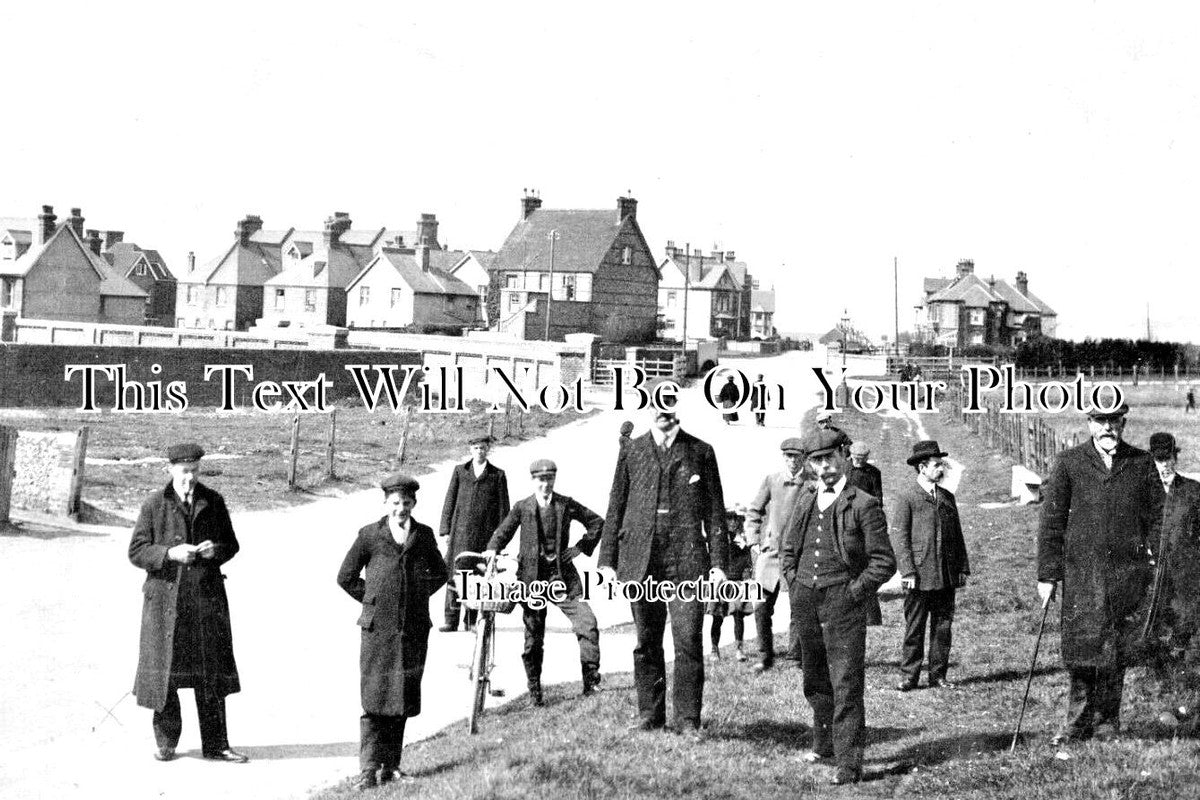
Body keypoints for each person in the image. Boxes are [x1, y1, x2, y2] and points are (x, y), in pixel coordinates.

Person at [598, 406, 728, 739]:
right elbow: (616, 504)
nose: (663, 414)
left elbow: (715, 513)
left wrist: (718, 565)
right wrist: (607, 561)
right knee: (646, 641)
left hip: (687, 562)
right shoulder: (633, 450)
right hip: (642, 561)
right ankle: (650, 715)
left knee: (687, 640)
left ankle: (687, 719)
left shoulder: (701, 451)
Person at [1038, 403, 1159, 745]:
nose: (1107, 428)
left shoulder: (1141, 462)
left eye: (1113, 421)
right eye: (1100, 421)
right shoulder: (1070, 463)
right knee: (1082, 649)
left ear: (1123, 422)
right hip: (1082, 576)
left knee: (1116, 650)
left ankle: (1108, 723)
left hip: (1126, 575)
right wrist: (1048, 574)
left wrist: (1158, 563)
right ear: (1089, 423)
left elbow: (1157, 519)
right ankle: (1077, 723)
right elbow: (1051, 522)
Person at [780, 429, 896, 785]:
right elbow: (789, 549)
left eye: (829, 458)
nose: (824, 467)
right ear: (810, 465)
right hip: (806, 601)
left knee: (845, 681)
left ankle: (849, 763)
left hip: (842, 603)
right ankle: (823, 745)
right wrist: (794, 581)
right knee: (814, 677)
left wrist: (853, 593)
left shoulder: (862, 503)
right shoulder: (805, 498)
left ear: (843, 456)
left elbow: (883, 561)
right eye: (816, 461)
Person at [128, 443, 247, 763]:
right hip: (165, 605)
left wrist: (214, 551)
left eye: (195, 471)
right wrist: (168, 554)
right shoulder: (154, 504)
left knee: (210, 673)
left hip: (205, 603)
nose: (190, 478)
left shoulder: (214, 501)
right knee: (164, 673)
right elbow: (136, 551)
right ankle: (166, 743)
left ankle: (216, 745)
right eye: (184, 471)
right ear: (171, 470)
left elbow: (231, 545)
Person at [337, 473, 448, 791]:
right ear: (386, 503)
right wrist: (372, 600)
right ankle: (368, 769)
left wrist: (416, 597)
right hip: (378, 632)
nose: (401, 509)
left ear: (414, 504)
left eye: (407, 503)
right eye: (396, 503)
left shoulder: (423, 535)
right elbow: (345, 576)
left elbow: (440, 572)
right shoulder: (370, 535)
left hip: (413, 630)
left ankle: (392, 766)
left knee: (401, 696)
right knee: (375, 697)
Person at [484, 459, 604, 706]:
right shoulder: (522, 507)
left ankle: (591, 683)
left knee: (587, 623)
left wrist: (580, 548)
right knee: (533, 639)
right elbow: (503, 532)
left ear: (554, 480)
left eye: (549, 479)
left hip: (563, 578)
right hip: (532, 580)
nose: (545, 484)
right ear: (533, 480)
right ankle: (534, 691)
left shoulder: (565, 504)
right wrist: (492, 550)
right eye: (541, 479)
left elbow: (597, 523)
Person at [890, 441, 970, 691]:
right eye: (937, 465)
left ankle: (938, 675)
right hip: (919, 575)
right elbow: (899, 535)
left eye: (942, 464)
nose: (941, 469)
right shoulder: (907, 497)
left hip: (945, 574)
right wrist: (908, 570)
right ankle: (909, 676)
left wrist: (961, 568)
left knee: (943, 627)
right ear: (922, 468)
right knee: (915, 627)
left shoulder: (947, 497)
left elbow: (956, 535)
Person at [1143, 432, 1200, 732]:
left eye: (1168, 459)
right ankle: (1163, 701)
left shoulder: (1193, 491)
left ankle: (1187, 702)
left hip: (1187, 580)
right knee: (1157, 643)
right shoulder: (1143, 494)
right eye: (1157, 460)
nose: (1163, 465)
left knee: (1187, 638)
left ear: (1176, 458)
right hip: (1154, 583)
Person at [744, 437, 808, 671]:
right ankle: (765, 656)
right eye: (788, 456)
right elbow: (753, 511)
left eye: (797, 456)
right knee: (761, 607)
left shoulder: (811, 483)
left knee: (799, 608)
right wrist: (753, 541)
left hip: (799, 556)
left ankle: (795, 657)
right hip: (770, 554)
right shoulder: (772, 480)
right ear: (783, 458)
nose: (792, 461)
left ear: (804, 458)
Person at [439, 434, 510, 632]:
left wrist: (499, 539)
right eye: (476, 448)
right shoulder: (460, 471)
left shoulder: (497, 475)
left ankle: (471, 620)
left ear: (488, 450)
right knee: (455, 576)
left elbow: (504, 509)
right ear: (470, 450)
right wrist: (445, 530)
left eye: (483, 448)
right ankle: (450, 619)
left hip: (484, 536)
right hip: (459, 534)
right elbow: (449, 502)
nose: (479, 451)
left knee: (478, 577)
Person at [707, 508, 753, 662]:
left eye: (736, 519)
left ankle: (739, 649)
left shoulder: (742, 541)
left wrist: (746, 576)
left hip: (737, 582)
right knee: (717, 617)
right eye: (729, 519)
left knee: (739, 615)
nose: (733, 522)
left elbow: (748, 562)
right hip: (721, 582)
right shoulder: (719, 539)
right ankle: (714, 649)